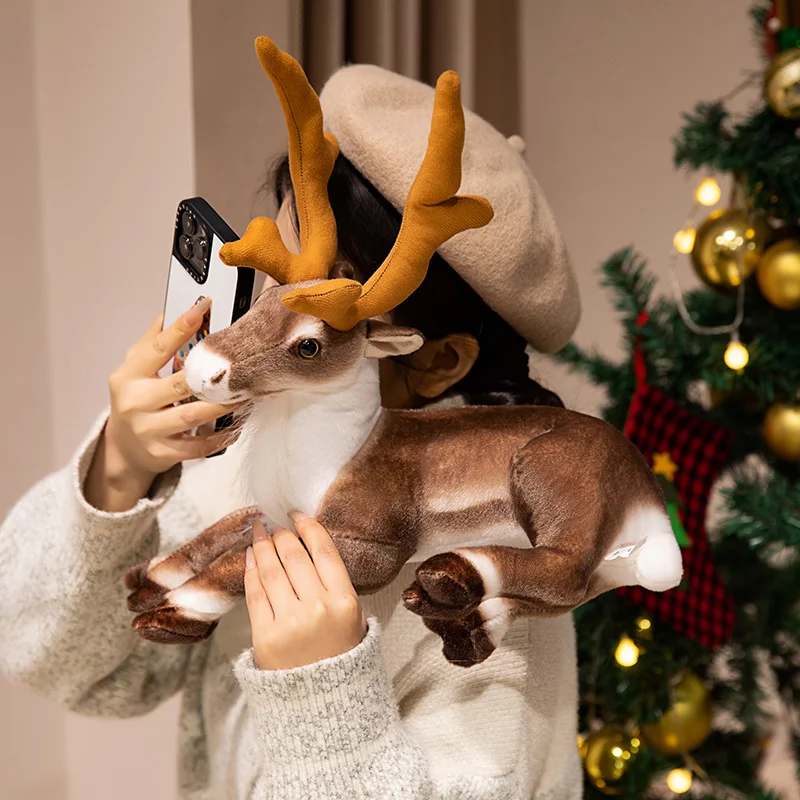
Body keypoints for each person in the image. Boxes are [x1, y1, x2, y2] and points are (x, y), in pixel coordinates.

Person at [0, 60, 583, 799]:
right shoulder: (242, 444)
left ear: (436, 360)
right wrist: (117, 476)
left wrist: (323, 696)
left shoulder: (486, 585)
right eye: (271, 273)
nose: (260, 320)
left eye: (307, 319)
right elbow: (67, 663)